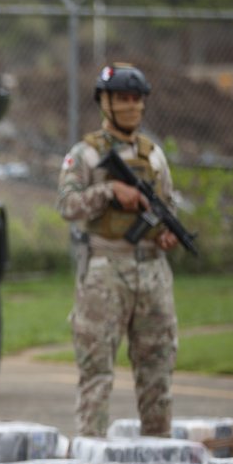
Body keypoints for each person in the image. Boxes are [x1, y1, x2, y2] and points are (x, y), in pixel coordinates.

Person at [56, 63, 180, 438]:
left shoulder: (153, 154)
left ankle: (159, 457)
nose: (131, 106)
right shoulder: (86, 155)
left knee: (157, 373)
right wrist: (110, 192)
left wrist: (166, 233)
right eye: (122, 99)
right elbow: (67, 205)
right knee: (96, 374)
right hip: (105, 270)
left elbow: (168, 204)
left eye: (136, 99)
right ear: (105, 103)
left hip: (152, 271)